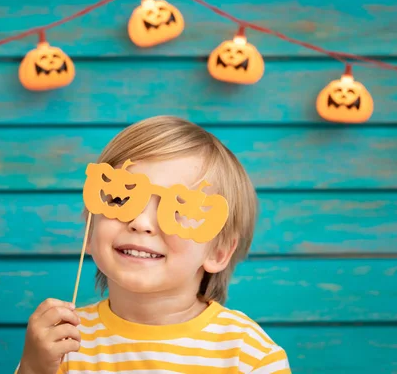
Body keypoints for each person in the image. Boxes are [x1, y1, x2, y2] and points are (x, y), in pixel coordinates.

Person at [16, 115, 291, 373]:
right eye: (121, 199)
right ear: (91, 227)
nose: (141, 223)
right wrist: (33, 367)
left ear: (218, 252)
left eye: (178, 209)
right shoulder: (64, 342)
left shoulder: (248, 355)